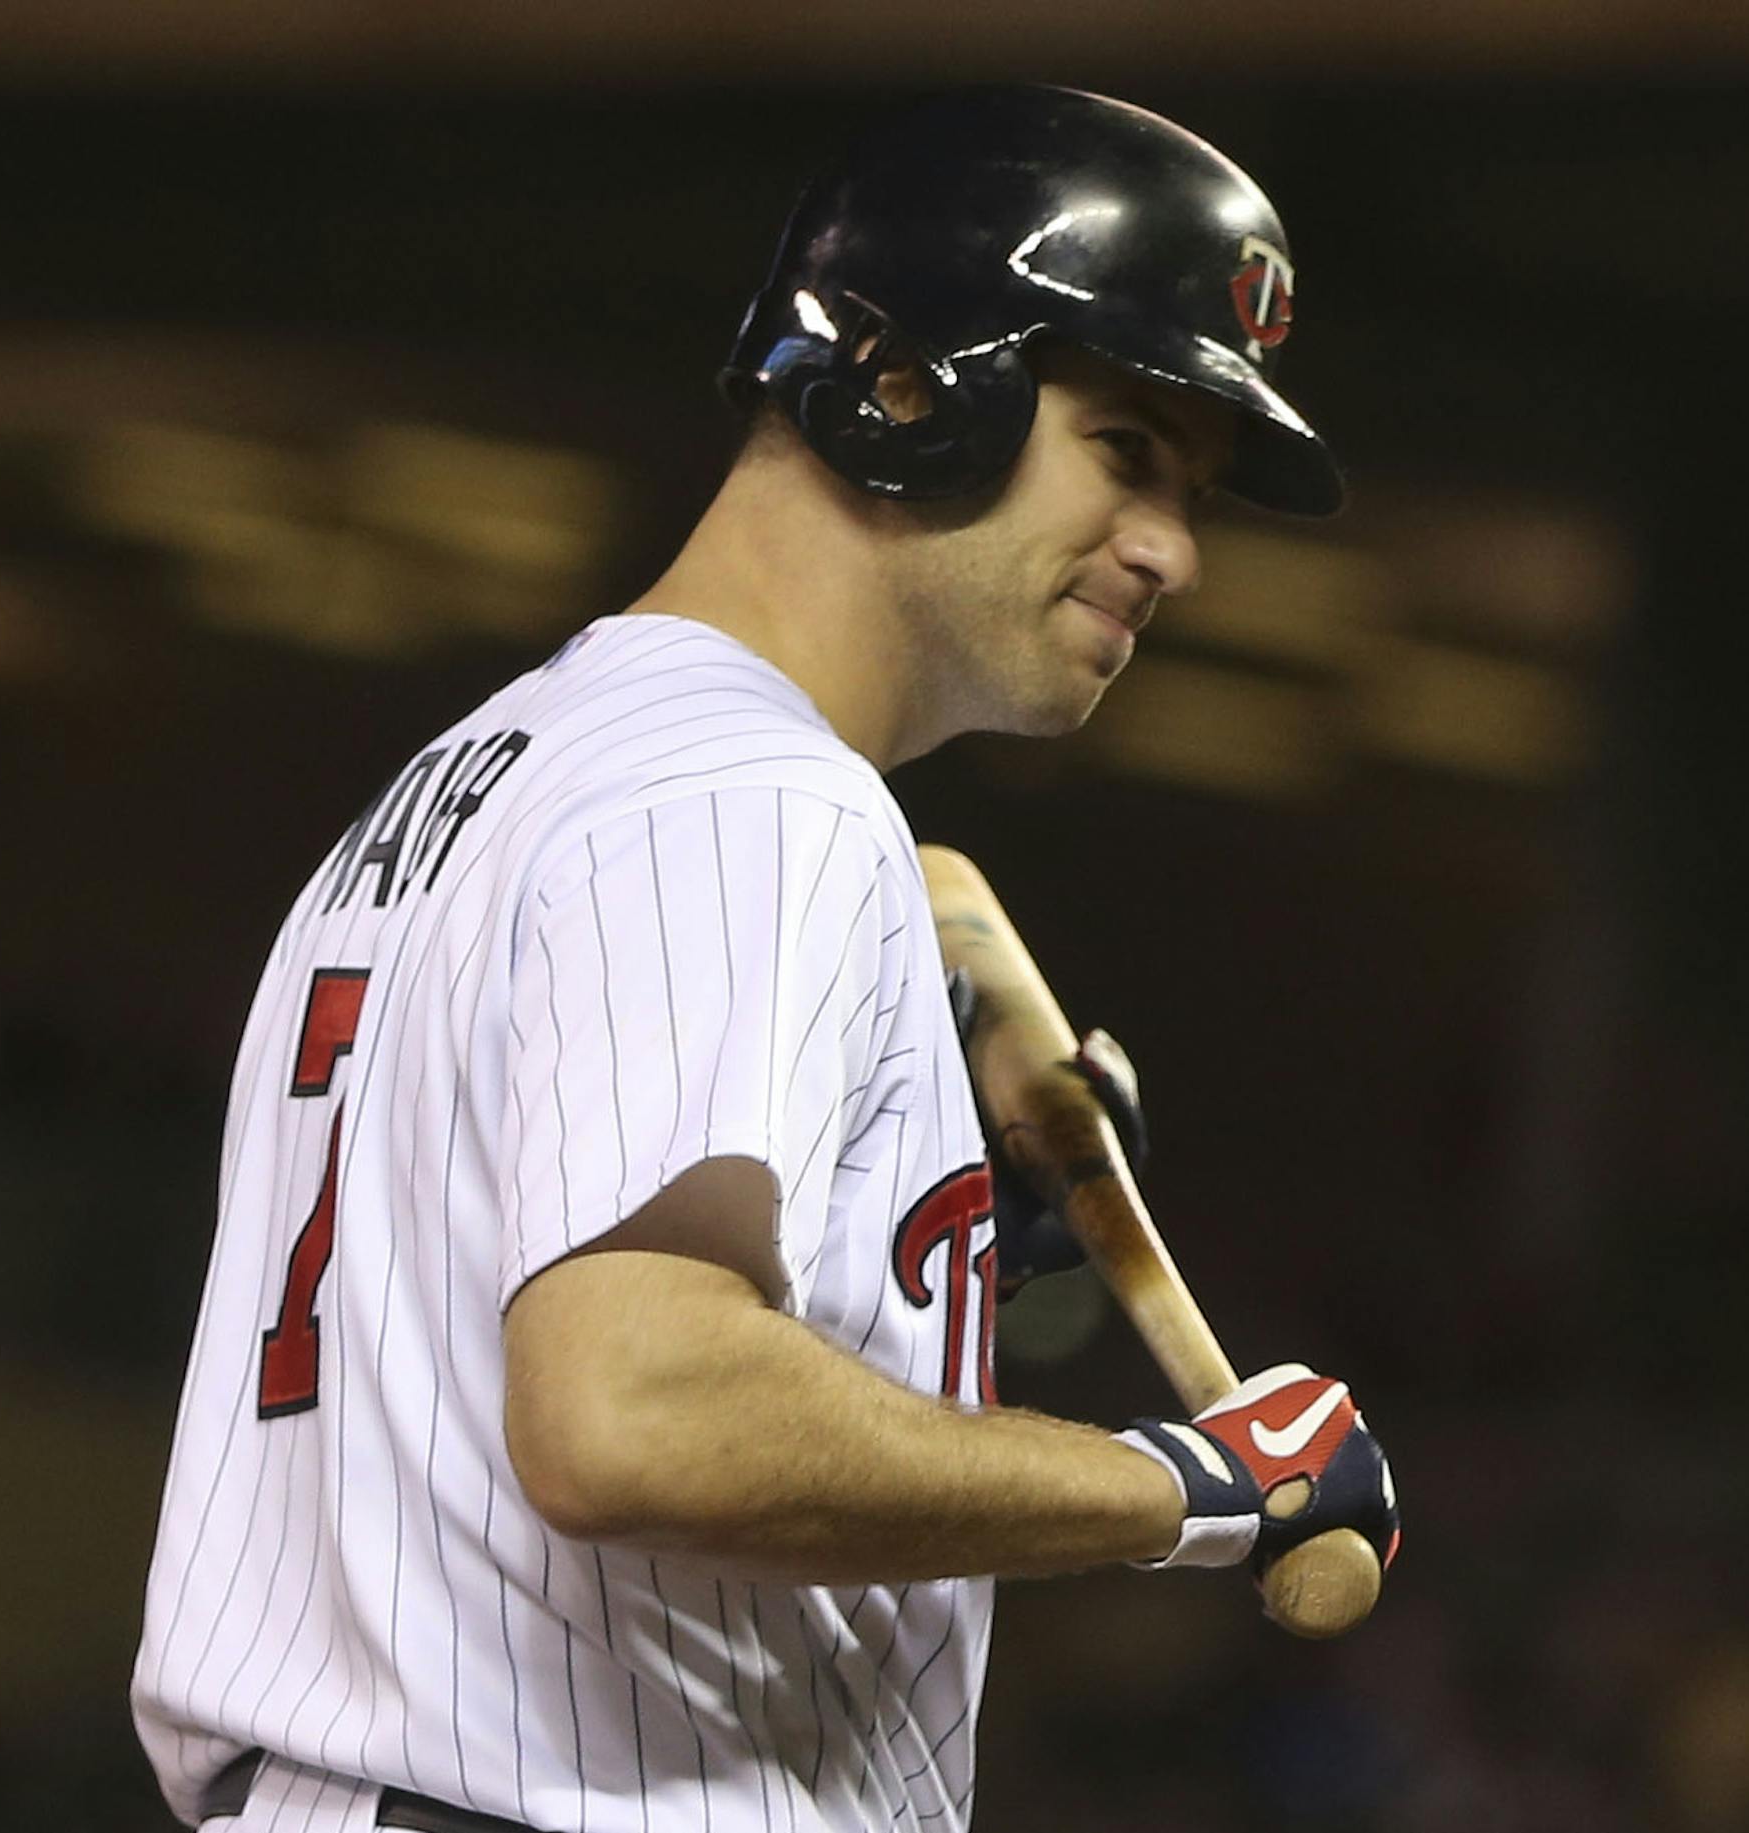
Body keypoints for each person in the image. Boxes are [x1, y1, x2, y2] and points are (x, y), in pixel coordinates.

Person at [132, 83, 1399, 1833]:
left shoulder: (481, 776)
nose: (1176, 549)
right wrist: (1184, 1483)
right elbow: (633, 1408)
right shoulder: (757, 793)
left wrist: (923, 1247)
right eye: (1126, 451)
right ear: (909, 381)